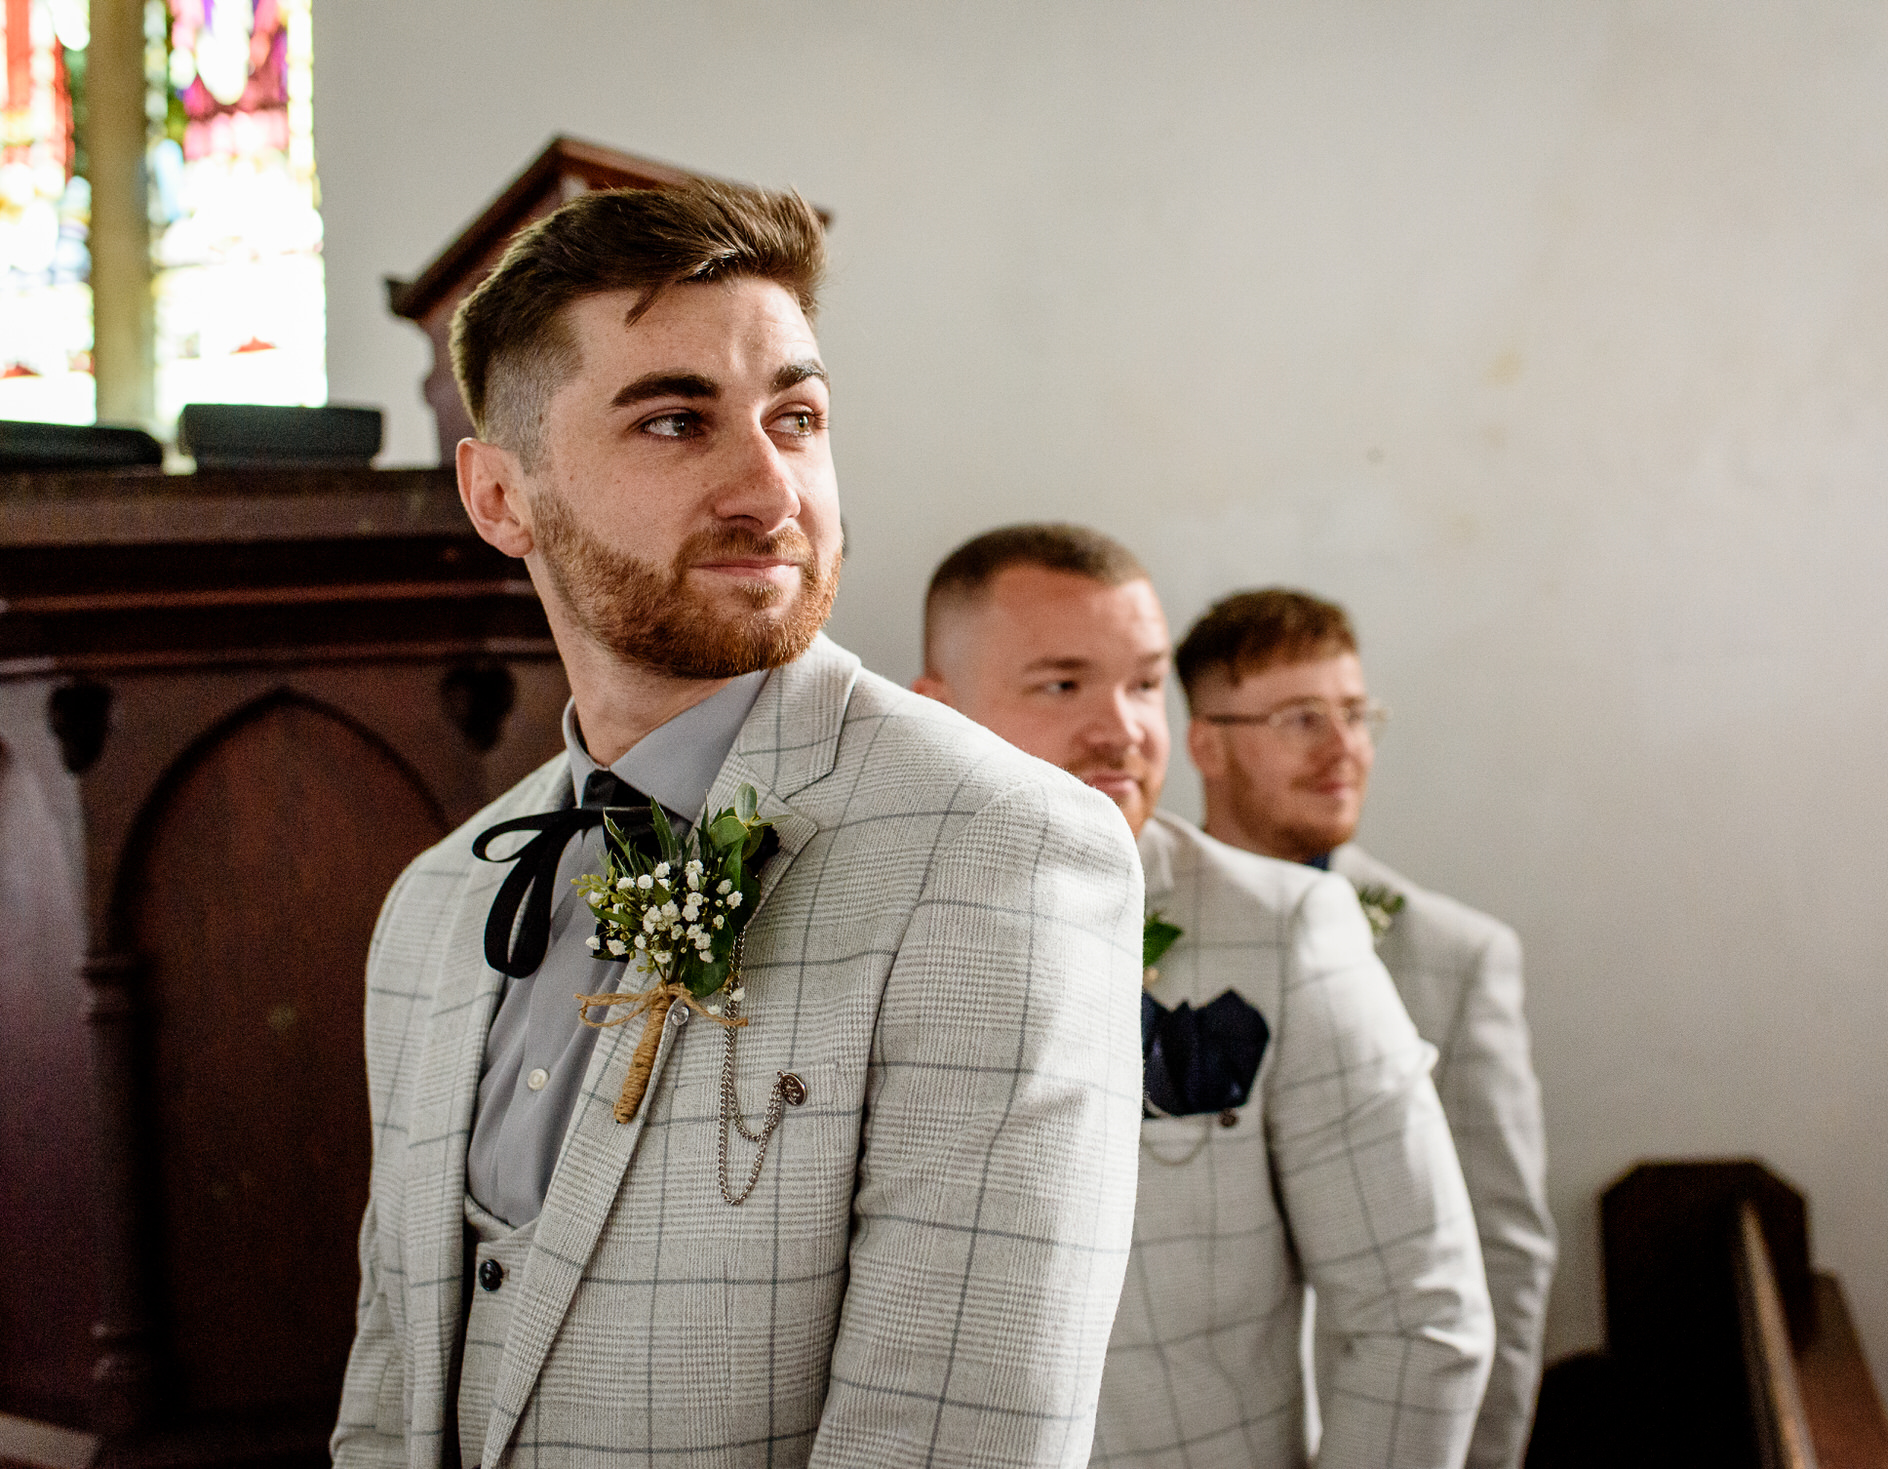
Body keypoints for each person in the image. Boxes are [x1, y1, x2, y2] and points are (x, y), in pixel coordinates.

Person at [333, 185, 1146, 1468]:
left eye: (798, 418)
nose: (770, 488)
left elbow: (955, 1438)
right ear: (500, 496)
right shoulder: (436, 902)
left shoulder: (1002, 849)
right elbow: (393, 1375)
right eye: (674, 419)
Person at [914, 525, 1492, 1469]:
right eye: (1063, 684)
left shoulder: (1285, 928)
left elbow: (1419, 1317)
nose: (1124, 727)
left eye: (1143, 683)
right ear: (939, 709)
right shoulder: (867, 926)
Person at [1174, 588, 1556, 1469]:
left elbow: (1503, 1256)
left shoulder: (1457, 958)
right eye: (1302, 717)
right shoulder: (1135, 925)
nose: (1344, 747)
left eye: (1356, 714)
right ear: (1207, 742)